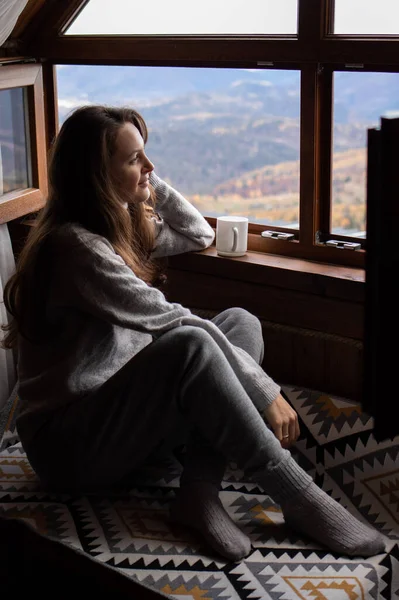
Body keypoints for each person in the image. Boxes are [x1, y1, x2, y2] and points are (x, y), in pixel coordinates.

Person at [1, 105, 385, 562]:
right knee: (190, 341)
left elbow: (198, 232)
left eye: (147, 156)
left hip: (121, 423)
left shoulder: (116, 225)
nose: (150, 167)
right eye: (134, 160)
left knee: (242, 322)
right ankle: (296, 494)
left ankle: (199, 493)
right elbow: (172, 321)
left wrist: (144, 181)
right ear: (96, 177)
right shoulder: (74, 247)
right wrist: (264, 390)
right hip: (69, 448)